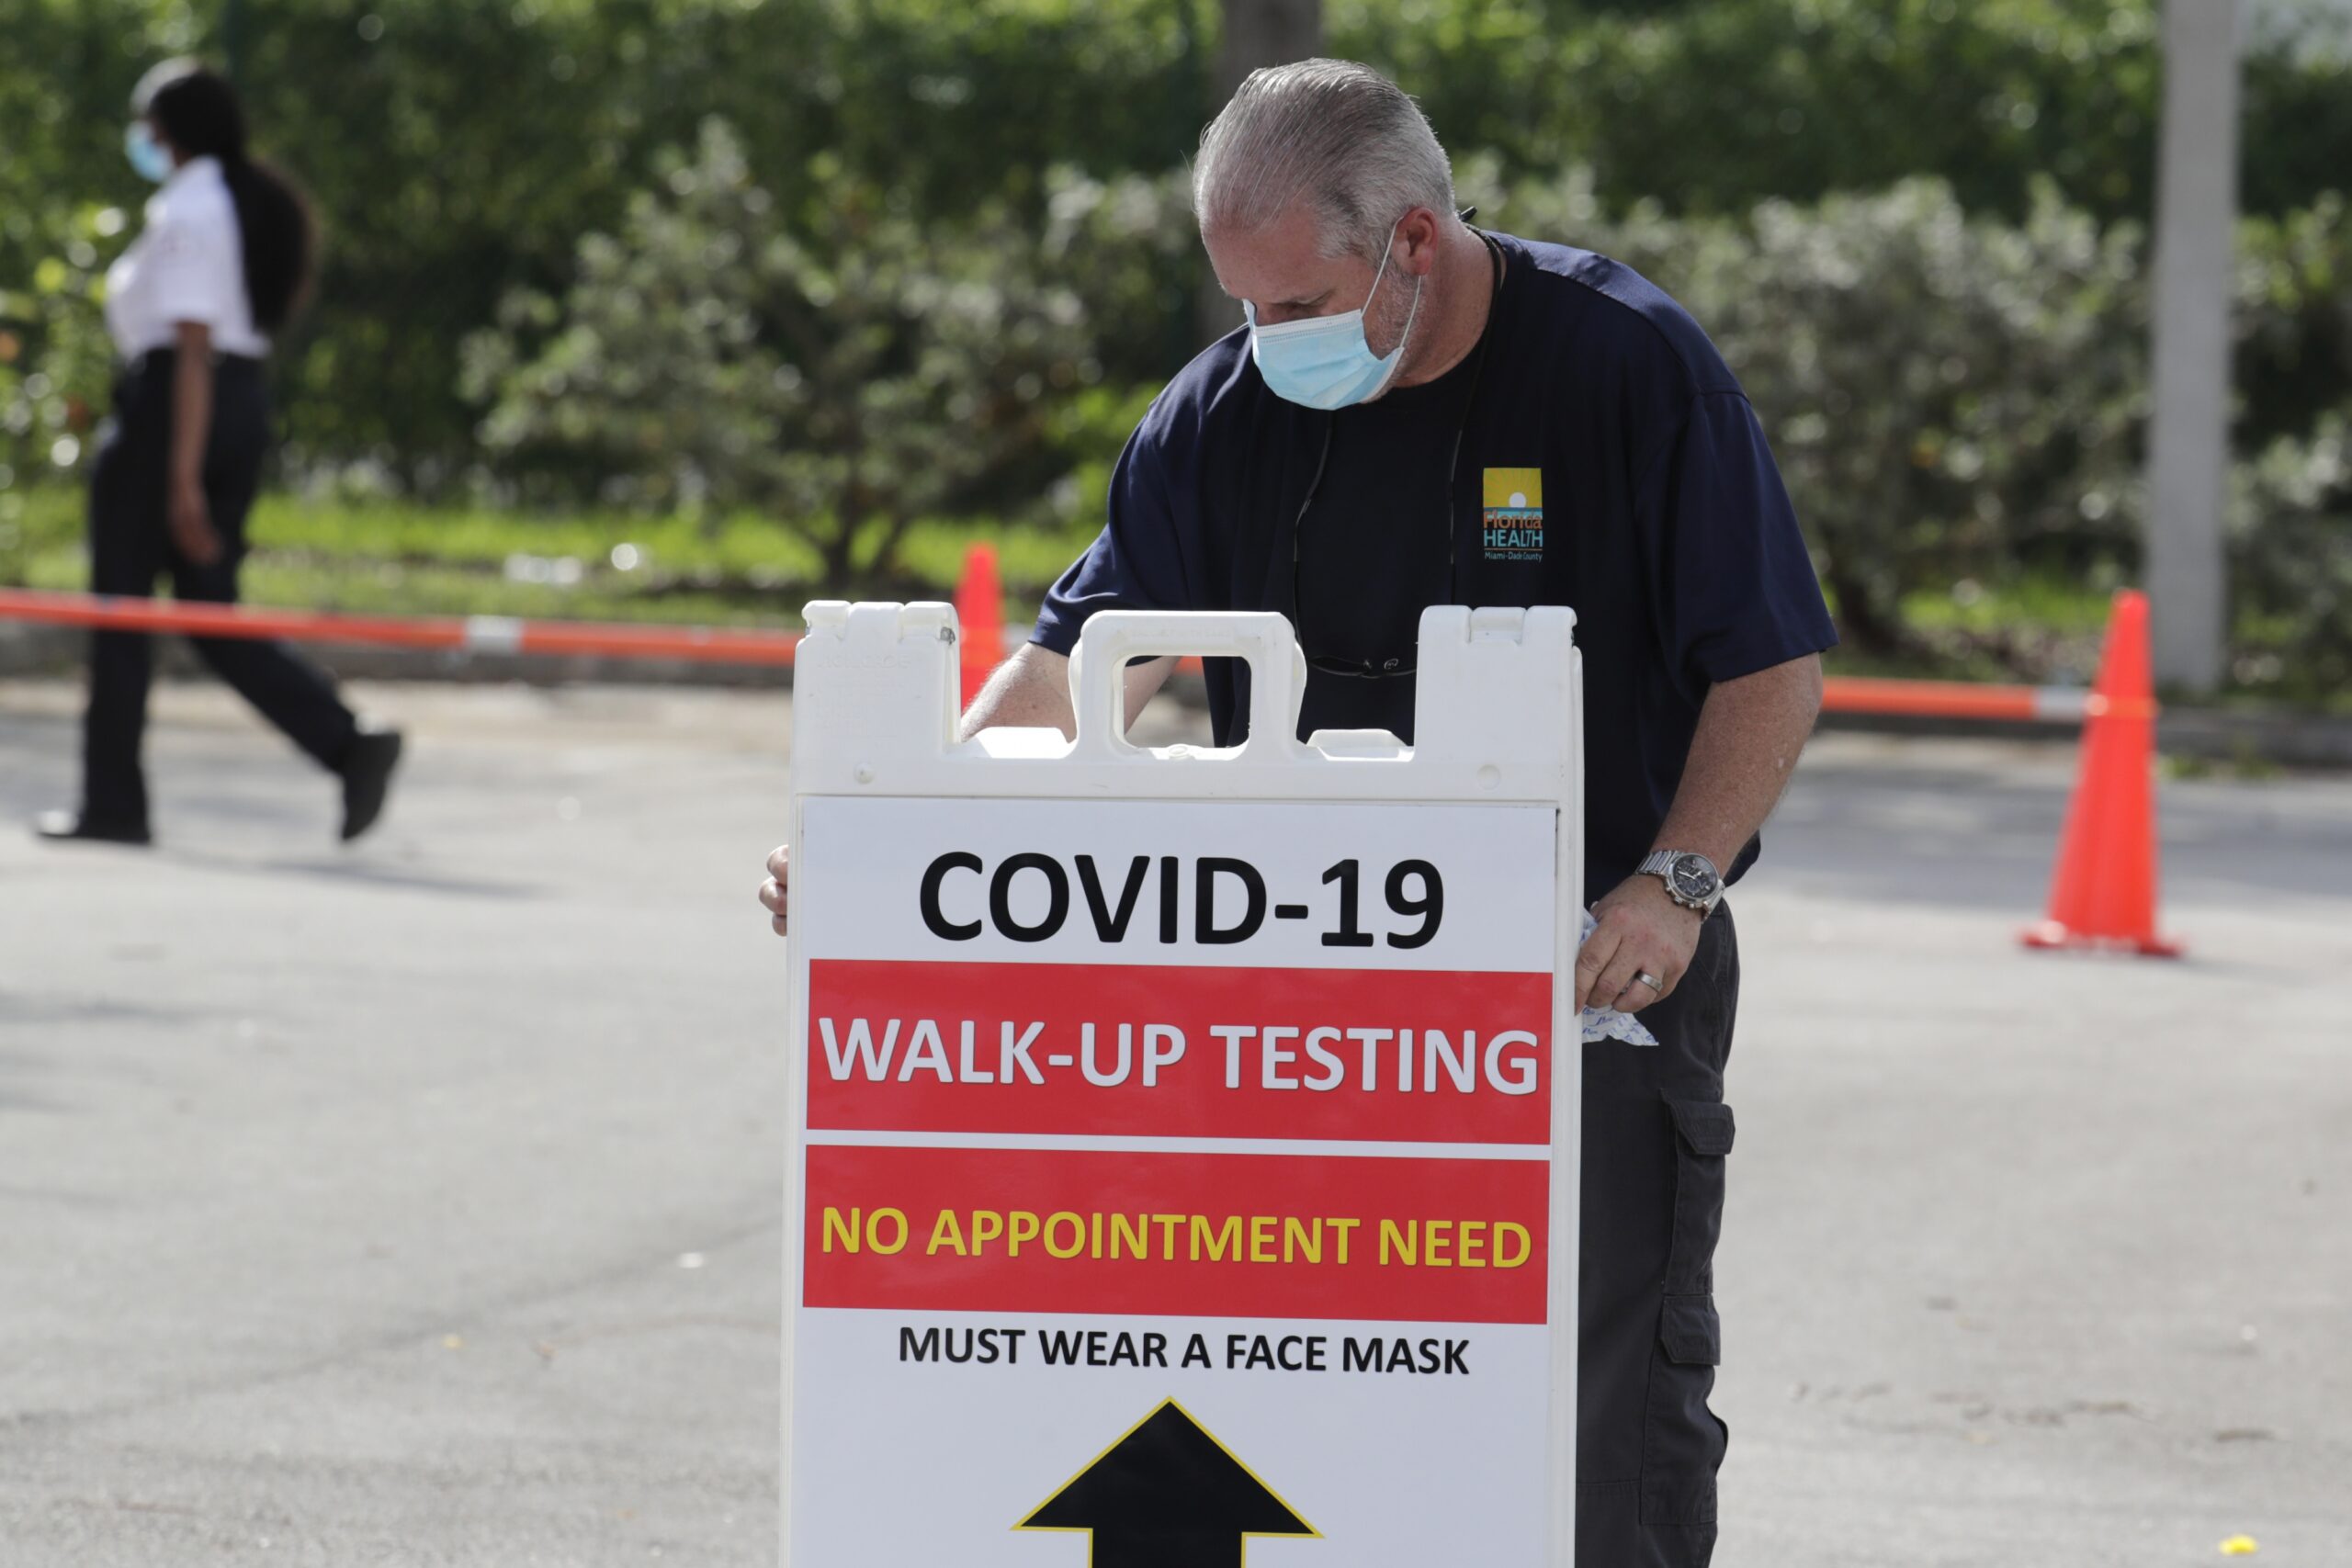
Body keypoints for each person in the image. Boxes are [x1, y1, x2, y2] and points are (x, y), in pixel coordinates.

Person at [760, 59, 1833, 1566]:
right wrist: (900, 849)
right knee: (1327, 1389)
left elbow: (1771, 666)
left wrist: (1674, 883)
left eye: (1293, 306)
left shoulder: (1624, 368)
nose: (1264, 344)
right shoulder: (1227, 412)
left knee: (1603, 1414)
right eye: (1239, 307)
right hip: (1310, 1006)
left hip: (1581, 974)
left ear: (1411, 240)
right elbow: (1081, 661)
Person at [34, 60, 399, 848]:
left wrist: (179, 483)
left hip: (177, 414)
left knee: (120, 612)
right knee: (206, 610)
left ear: (166, 130)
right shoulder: (228, 204)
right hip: (224, 409)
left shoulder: (192, 211)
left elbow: (191, 351)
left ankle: (114, 803)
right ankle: (346, 742)